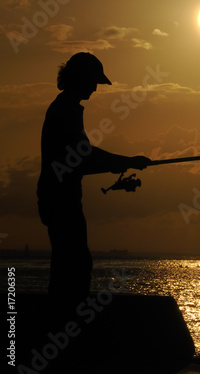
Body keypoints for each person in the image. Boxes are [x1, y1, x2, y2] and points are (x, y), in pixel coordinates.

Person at [37, 52, 150, 308]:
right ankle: (63, 321)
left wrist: (117, 164)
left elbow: (79, 160)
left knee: (71, 264)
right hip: (61, 202)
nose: (95, 88)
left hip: (58, 199)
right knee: (74, 265)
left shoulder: (66, 107)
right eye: (93, 81)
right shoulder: (65, 110)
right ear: (80, 78)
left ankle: (61, 319)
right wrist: (126, 161)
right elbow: (81, 157)